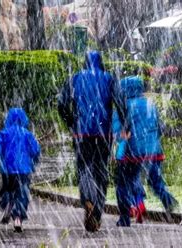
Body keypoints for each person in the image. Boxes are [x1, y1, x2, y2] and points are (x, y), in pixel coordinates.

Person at [58, 50, 125, 232]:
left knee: (84, 168)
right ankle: (96, 213)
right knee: (101, 170)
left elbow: (62, 103)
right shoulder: (109, 79)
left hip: (82, 132)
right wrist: (124, 124)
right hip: (103, 132)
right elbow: (120, 102)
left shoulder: (75, 79)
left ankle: (87, 198)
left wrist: (72, 121)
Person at [113, 76, 178, 227]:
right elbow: (160, 127)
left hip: (132, 152)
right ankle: (168, 201)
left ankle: (124, 218)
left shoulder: (123, 106)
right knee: (156, 182)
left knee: (123, 183)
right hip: (153, 151)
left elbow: (117, 132)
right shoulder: (150, 104)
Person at [0, 108, 41, 233]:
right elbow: (35, 150)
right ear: (23, 120)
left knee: (8, 190)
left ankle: (7, 204)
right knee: (21, 194)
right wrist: (34, 160)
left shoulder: (4, 133)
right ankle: (18, 218)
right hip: (24, 170)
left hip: (8, 169)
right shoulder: (27, 134)